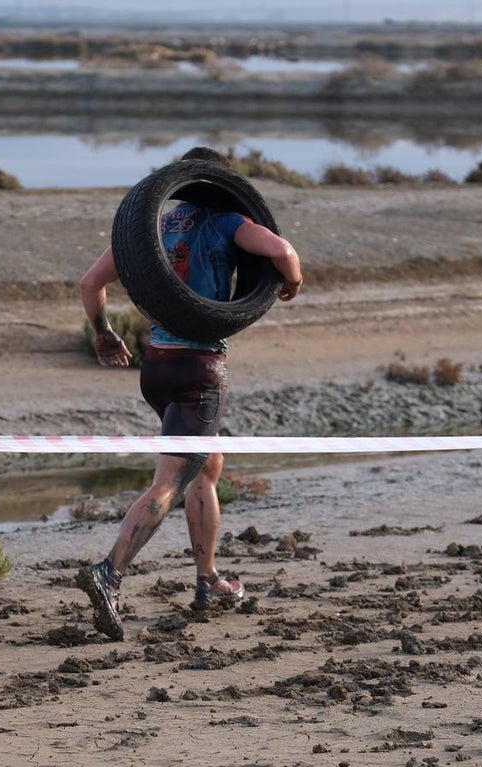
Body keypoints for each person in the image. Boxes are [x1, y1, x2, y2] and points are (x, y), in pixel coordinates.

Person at [75, 146, 303, 641]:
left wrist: (104, 333)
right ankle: (108, 573)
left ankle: (208, 580)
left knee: (207, 467)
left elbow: (90, 283)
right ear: (221, 185)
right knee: (171, 482)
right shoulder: (227, 221)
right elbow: (284, 253)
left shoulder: (148, 229)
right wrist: (293, 282)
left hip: (156, 366)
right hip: (199, 369)